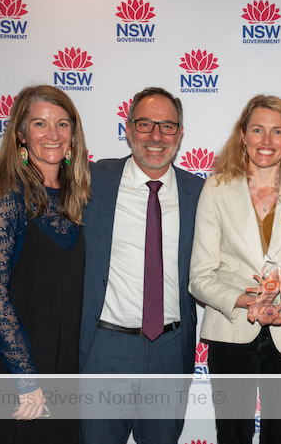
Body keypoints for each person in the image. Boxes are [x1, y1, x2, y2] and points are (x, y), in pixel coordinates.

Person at [189, 95, 281, 444]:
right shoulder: (217, 188)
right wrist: (245, 300)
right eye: (257, 130)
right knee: (231, 434)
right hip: (232, 330)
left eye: (277, 132)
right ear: (242, 135)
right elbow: (199, 277)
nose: (266, 141)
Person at [0, 84, 91, 443]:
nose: (53, 134)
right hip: (11, 371)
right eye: (40, 123)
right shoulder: (5, 194)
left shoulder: (78, 196)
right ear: (20, 135)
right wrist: (26, 378)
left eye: (63, 124)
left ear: (73, 136)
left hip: (61, 367)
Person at [77, 87, 204, 443]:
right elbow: (36, 180)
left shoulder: (200, 193)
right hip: (105, 349)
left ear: (179, 134)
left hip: (170, 350)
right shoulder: (92, 179)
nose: (155, 136)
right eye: (145, 124)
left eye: (167, 126)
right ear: (129, 128)